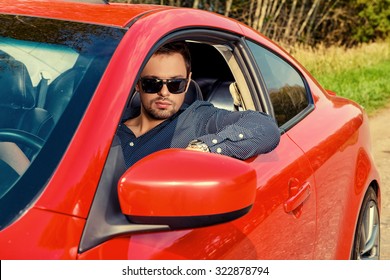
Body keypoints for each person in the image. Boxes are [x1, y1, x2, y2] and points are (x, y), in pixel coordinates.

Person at [116, 41, 280, 169]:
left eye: (175, 84)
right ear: (137, 83)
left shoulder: (199, 119)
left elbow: (265, 127)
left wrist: (203, 149)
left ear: (187, 83)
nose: (164, 93)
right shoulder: (110, 123)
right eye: (152, 83)